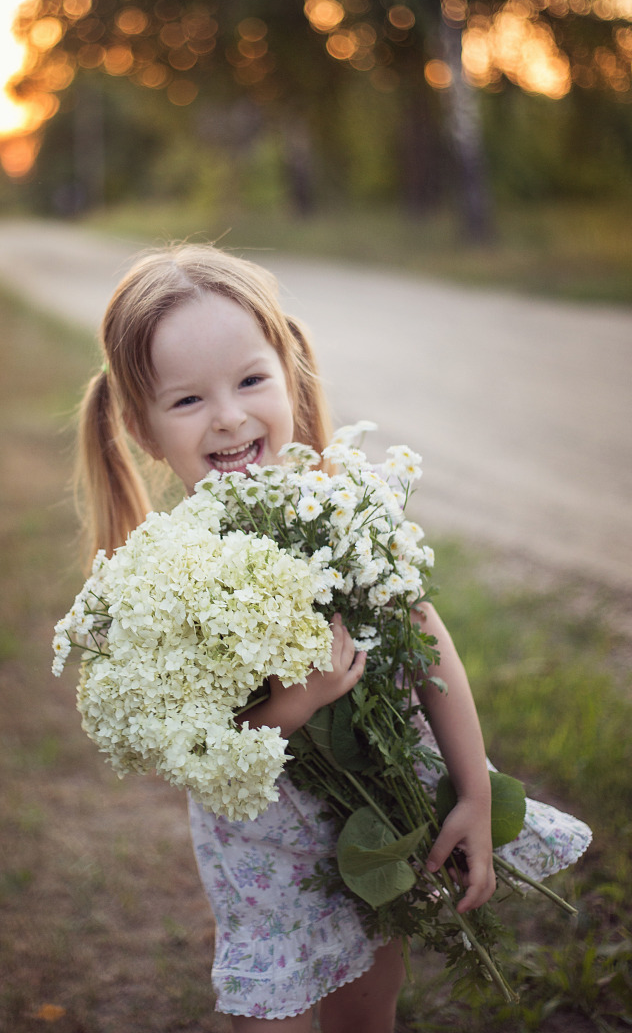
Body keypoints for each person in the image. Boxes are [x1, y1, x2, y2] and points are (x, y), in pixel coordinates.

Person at [74, 243, 590, 1032]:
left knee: (369, 1009)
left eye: (251, 381)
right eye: (187, 401)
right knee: (271, 1018)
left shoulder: (339, 512)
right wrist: (298, 702)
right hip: (266, 862)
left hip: (381, 828)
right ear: (143, 430)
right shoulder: (164, 578)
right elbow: (199, 749)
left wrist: (476, 790)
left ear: (289, 374)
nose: (230, 416)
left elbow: (426, 643)